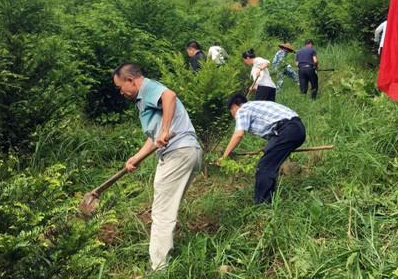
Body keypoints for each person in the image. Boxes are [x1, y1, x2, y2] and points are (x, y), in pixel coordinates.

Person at [112, 63, 202, 272]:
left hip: (177, 153)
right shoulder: (144, 102)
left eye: (120, 87)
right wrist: (136, 158)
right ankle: (161, 261)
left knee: (161, 212)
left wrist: (166, 129)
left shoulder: (148, 88)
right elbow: (155, 139)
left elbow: (170, 95)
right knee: (166, 207)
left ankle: (158, 269)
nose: (120, 92)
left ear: (130, 81)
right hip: (188, 151)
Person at [218, 94, 306, 204]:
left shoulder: (242, 110)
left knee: (264, 167)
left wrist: (224, 156)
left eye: (231, 112)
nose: (233, 116)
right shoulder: (255, 106)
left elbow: (238, 135)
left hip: (287, 129)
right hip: (296, 128)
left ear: (234, 107)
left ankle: (262, 204)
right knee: (270, 163)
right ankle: (269, 200)